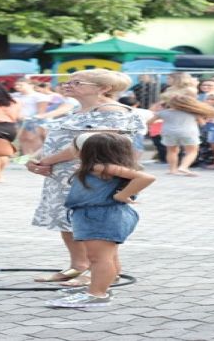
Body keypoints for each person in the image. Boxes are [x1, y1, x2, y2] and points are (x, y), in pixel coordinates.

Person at [27, 69, 143, 286]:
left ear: (104, 88)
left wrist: (48, 161)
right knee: (67, 221)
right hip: (62, 177)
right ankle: (78, 265)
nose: (68, 85)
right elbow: (58, 139)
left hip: (92, 178)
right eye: (67, 81)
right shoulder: (76, 110)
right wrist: (34, 159)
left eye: (77, 82)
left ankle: (101, 270)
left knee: (92, 226)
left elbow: (91, 144)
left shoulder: (112, 111)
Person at [45, 132, 155, 308]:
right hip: (100, 215)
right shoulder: (101, 167)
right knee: (107, 257)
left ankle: (97, 294)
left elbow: (146, 177)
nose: (74, 151)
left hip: (101, 216)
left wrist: (122, 195)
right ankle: (101, 286)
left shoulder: (100, 167)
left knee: (99, 258)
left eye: (77, 147)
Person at [148, 95, 214, 176]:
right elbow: (202, 124)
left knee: (172, 151)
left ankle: (173, 169)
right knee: (192, 151)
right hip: (188, 132)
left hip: (169, 132)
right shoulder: (193, 112)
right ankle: (183, 167)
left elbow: (149, 122)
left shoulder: (163, 112)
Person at [12, 78, 50, 155]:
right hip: (19, 120)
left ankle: (36, 157)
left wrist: (30, 118)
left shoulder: (40, 96)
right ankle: (27, 157)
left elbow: (41, 111)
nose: (17, 86)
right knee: (23, 139)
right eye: (16, 85)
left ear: (30, 85)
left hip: (34, 121)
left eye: (20, 85)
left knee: (32, 139)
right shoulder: (13, 96)